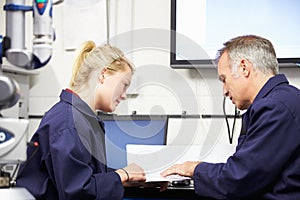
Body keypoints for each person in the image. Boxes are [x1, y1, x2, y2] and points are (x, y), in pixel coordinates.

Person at [161, 35, 300, 199]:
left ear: (244, 68)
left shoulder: (274, 108)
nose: (224, 91)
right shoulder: (284, 100)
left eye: (224, 80)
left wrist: (193, 169)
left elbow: (239, 180)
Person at [16, 41, 146, 200]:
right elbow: (77, 193)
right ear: (103, 75)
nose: (125, 95)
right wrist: (121, 175)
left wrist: (126, 178)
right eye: (124, 85)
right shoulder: (69, 123)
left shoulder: (81, 119)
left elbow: (85, 174)